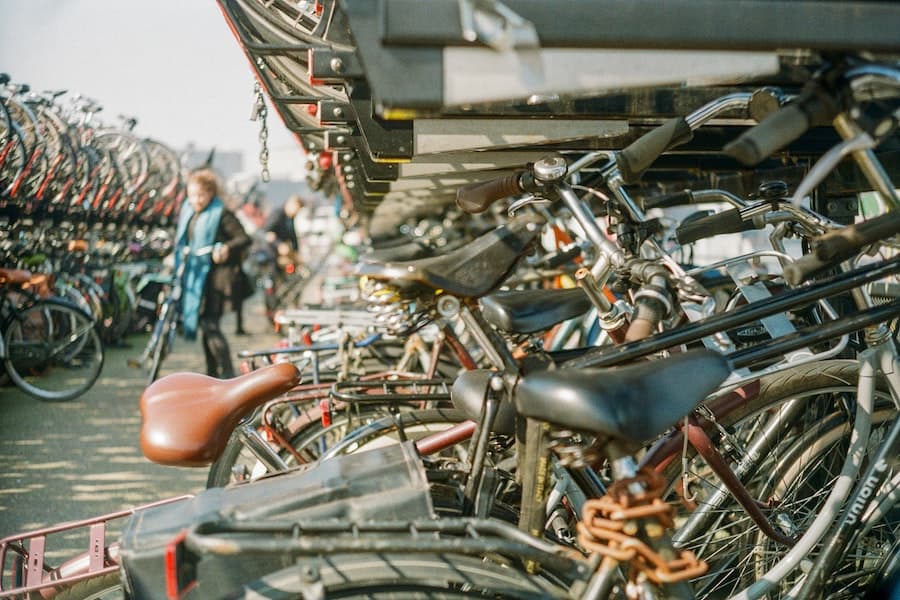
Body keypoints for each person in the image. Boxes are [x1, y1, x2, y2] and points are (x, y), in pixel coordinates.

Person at [174, 168, 251, 378]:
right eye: (191, 195)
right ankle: (212, 374)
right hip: (196, 276)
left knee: (210, 325)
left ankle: (226, 373)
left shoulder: (222, 214)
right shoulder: (190, 213)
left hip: (216, 279)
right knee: (207, 326)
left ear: (211, 193)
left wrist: (226, 248)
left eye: (200, 195)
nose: (195, 200)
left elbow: (244, 238)